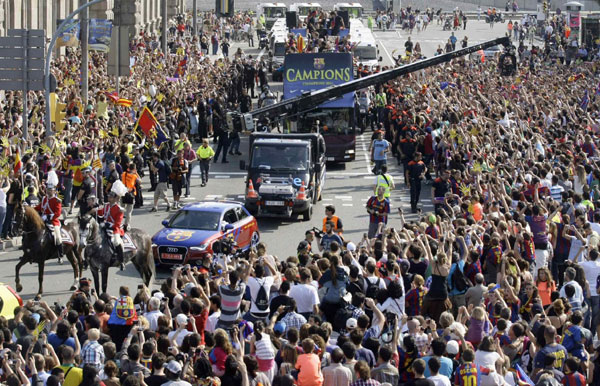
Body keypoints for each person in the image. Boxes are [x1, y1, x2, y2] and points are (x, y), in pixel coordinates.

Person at [92, 190, 126, 270]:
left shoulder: (119, 209)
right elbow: (100, 214)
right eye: (108, 196)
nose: (109, 198)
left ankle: (121, 261)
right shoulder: (106, 206)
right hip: (104, 226)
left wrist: (108, 225)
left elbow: (117, 223)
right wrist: (96, 207)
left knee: (116, 242)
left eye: (110, 197)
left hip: (115, 229)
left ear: (115, 199)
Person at [35, 182, 63, 259]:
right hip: (42, 220)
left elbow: (58, 213)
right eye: (48, 190)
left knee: (57, 236)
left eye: (51, 190)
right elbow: (39, 207)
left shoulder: (57, 200)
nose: (48, 191)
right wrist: (29, 208)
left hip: (53, 221)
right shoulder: (44, 198)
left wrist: (48, 217)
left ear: (54, 191)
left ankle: (60, 252)